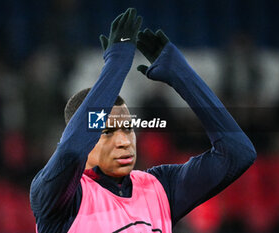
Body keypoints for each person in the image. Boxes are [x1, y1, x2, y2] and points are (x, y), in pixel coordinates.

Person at [30, 8, 256, 233]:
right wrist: (117, 64)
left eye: (128, 128)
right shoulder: (58, 199)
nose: (124, 141)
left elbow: (238, 153)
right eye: (107, 132)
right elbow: (72, 153)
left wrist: (181, 75)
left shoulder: (160, 187)